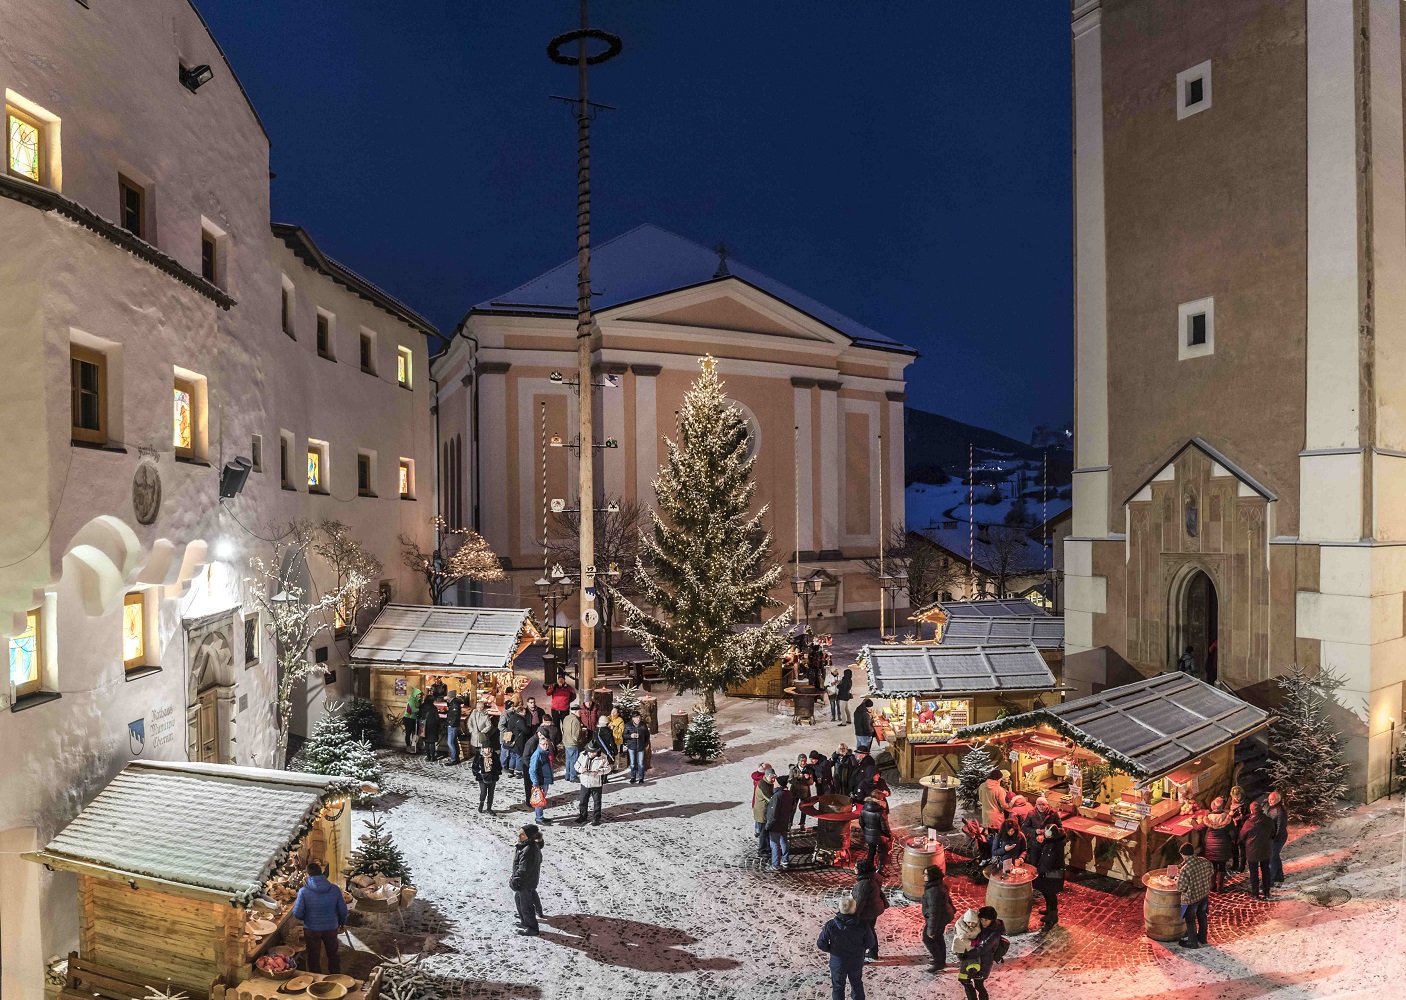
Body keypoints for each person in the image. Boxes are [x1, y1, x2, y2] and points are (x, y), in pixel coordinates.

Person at [817, 895, 877, 1000]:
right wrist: (861, 949)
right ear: (854, 909)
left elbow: (821, 943)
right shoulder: (862, 925)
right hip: (856, 962)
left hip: (838, 963)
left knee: (838, 988)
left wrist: (831, 949)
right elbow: (870, 943)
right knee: (857, 985)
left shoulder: (831, 925)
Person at [292, 860, 347, 974]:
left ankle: (316, 979)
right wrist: (342, 922)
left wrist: (307, 918)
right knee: (333, 953)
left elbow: (297, 913)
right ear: (321, 873)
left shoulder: (304, 891)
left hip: (312, 929)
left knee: (313, 956)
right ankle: (335, 975)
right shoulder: (334, 889)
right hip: (331, 927)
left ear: (308, 875)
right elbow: (342, 909)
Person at [953, 906, 1005, 1000]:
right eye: (982, 919)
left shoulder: (995, 933)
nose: (983, 922)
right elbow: (963, 927)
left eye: (986, 920)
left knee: (978, 985)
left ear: (992, 920)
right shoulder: (977, 924)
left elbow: (983, 948)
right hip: (971, 958)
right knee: (965, 981)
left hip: (984, 961)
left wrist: (966, 955)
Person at [1175, 841, 1213, 948]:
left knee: (1190, 920)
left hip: (1191, 899)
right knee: (1202, 916)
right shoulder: (1204, 861)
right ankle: (1202, 938)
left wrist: (1176, 880)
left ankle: (1192, 942)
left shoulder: (1185, 870)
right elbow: (1211, 872)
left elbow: (1181, 887)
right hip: (1204, 895)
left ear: (1183, 855)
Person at [509, 825, 544, 936]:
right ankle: (525, 921)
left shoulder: (528, 850)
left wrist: (514, 880)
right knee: (519, 900)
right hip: (526, 882)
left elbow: (523, 869)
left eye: (522, 834)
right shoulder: (529, 846)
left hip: (525, 883)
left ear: (529, 837)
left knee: (526, 906)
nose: (519, 835)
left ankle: (532, 928)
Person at [1030, 822, 1065, 929]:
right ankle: (1049, 909)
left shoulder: (1055, 845)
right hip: (1046, 873)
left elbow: (1050, 860)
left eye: (1046, 832)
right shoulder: (1050, 842)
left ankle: (1052, 915)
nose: (1044, 833)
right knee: (1046, 893)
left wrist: (1042, 870)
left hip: (1051, 875)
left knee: (1050, 894)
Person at [851, 858, 887, 962]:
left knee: (862, 935)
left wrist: (854, 916)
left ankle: (860, 956)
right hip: (874, 909)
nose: (854, 868)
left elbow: (859, 902)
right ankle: (873, 952)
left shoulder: (864, 884)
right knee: (870, 931)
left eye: (856, 867)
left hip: (866, 913)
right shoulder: (875, 876)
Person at [922, 864, 956, 972]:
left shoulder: (933, 891)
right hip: (943, 916)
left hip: (939, 918)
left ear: (932, 876)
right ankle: (941, 960)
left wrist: (931, 930)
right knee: (939, 937)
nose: (924, 876)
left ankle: (939, 962)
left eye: (926, 874)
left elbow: (934, 912)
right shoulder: (938, 884)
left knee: (928, 939)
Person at [1240, 799, 1274, 900]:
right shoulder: (1268, 820)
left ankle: (1255, 893)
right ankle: (1266, 891)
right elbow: (1273, 832)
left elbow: (1242, 836)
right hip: (1265, 849)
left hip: (1252, 851)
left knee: (1254, 873)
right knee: (1265, 870)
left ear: (1251, 811)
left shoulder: (1248, 823)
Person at [1201, 797, 1234, 891]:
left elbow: (1199, 827)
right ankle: (1220, 887)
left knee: (1213, 866)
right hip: (1223, 846)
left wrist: (1193, 821)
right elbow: (1233, 834)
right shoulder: (1227, 818)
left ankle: (1212, 885)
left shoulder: (1207, 818)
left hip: (1211, 847)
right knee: (1222, 866)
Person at [764, 774, 796, 871]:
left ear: (779, 785)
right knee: (784, 841)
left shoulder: (777, 796)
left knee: (775, 844)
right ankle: (785, 861)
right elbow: (791, 809)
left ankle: (775, 865)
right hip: (784, 822)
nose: (774, 783)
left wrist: (768, 825)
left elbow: (773, 814)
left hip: (776, 825)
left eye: (776, 782)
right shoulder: (789, 794)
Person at [574, 743, 609, 825]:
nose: (593, 753)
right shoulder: (582, 755)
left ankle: (596, 818)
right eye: (591, 752)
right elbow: (576, 765)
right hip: (585, 782)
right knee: (583, 800)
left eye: (594, 752)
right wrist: (581, 769)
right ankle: (582, 816)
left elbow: (608, 768)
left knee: (597, 802)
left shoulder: (603, 757)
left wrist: (599, 772)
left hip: (596, 783)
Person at [978, 769, 1009, 857]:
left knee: (988, 836)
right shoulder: (1000, 790)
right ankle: (996, 855)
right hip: (997, 817)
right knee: (997, 838)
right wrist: (1011, 804)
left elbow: (980, 799)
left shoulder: (982, 786)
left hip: (986, 816)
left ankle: (987, 854)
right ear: (999, 779)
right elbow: (1003, 805)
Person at [858, 796, 891, 873]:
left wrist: (866, 831)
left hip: (869, 836)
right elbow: (885, 827)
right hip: (880, 837)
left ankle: (869, 867)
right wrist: (888, 835)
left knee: (871, 851)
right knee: (883, 851)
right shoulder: (880, 813)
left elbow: (861, 823)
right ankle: (880, 869)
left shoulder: (863, 810)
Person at [527, 735, 555, 824]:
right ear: (539, 744)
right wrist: (535, 782)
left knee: (542, 798)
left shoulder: (544, 752)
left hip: (545, 780)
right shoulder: (537, 755)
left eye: (547, 744)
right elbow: (532, 770)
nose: (545, 746)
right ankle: (539, 818)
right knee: (539, 799)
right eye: (543, 744)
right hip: (540, 781)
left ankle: (540, 816)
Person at [1266, 790, 1289, 886]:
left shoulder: (1280, 812)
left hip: (1277, 838)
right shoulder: (1273, 808)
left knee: (1272, 859)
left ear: (1278, 800)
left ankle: (1269, 881)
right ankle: (1279, 878)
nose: (1270, 801)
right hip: (1273, 836)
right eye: (1269, 799)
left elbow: (1280, 827)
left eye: (1272, 800)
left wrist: (1275, 839)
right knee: (1275, 857)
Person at [752, 765, 776, 857]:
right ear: (767, 776)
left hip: (765, 811)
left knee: (766, 831)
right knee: (763, 832)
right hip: (762, 812)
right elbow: (770, 798)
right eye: (772, 778)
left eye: (774, 778)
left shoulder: (768, 783)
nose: (774, 780)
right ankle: (762, 850)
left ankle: (767, 847)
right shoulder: (763, 785)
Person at [472, 743, 502, 812]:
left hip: (492, 777)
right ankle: (481, 803)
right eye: (486, 748)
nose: (488, 750)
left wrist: (496, 772)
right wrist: (480, 772)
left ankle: (489, 808)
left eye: (489, 748)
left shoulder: (494, 755)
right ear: (483, 749)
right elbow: (474, 767)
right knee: (483, 792)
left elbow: (498, 766)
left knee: (491, 793)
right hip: (482, 778)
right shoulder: (479, 756)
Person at [501, 703, 528, 778]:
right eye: (524, 712)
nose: (525, 713)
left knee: (512, 756)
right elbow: (525, 730)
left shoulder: (512, 717)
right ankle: (518, 773)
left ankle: (510, 772)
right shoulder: (520, 719)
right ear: (520, 712)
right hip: (518, 740)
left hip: (511, 740)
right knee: (519, 756)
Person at [623, 711, 650, 784]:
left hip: (641, 746)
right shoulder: (628, 725)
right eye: (637, 717)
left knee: (641, 763)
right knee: (632, 763)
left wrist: (646, 743)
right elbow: (624, 735)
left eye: (639, 717)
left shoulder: (643, 725)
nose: (638, 719)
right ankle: (633, 777)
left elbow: (647, 735)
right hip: (632, 746)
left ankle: (641, 778)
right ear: (633, 718)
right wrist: (630, 736)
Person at [790, 754, 815, 828]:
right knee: (792, 808)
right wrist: (797, 778)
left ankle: (802, 823)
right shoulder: (793, 769)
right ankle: (789, 823)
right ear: (798, 761)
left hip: (805, 792)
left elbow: (811, 782)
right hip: (795, 791)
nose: (803, 763)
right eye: (801, 761)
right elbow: (790, 780)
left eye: (804, 761)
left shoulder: (809, 769)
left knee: (804, 809)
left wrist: (808, 778)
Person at [1227, 785, 1247, 873]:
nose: (1237, 799)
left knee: (1242, 846)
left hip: (1242, 827)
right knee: (1233, 846)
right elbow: (1225, 809)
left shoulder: (1246, 801)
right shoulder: (1230, 800)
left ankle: (1242, 865)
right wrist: (1229, 812)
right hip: (1233, 826)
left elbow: (1251, 814)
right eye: (1235, 797)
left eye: (1238, 797)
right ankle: (1235, 864)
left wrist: (1243, 817)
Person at [561, 705, 584, 782]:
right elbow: (576, 734)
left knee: (568, 760)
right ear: (576, 711)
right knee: (574, 760)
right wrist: (580, 740)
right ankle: (573, 776)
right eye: (579, 711)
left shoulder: (566, 718)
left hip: (566, 741)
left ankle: (567, 775)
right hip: (572, 743)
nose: (580, 713)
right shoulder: (576, 720)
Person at [419, 693, 442, 762]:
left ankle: (428, 756)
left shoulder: (422, 706)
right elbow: (437, 718)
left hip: (424, 726)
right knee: (431, 742)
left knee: (426, 742)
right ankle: (432, 757)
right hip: (432, 726)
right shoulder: (433, 708)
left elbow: (419, 715)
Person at [444, 692, 464, 765]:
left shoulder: (455, 704)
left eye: (447, 696)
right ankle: (456, 758)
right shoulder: (454, 702)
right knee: (454, 741)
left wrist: (450, 724)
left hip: (452, 725)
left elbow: (454, 716)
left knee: (450, 742)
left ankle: (453, 759)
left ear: (450, 696)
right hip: (453, 725)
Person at [401, 686, 422, 751]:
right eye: (418, 694)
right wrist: (420, 709)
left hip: (414, 718)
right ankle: (408, 746)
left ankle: (413, 746)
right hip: (408, 718)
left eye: (420, 694)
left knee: (415, 732)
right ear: (415, 694)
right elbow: (413, 709)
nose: (419, 695)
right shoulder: (411, 700)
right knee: (408, 732)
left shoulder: (418, 700)